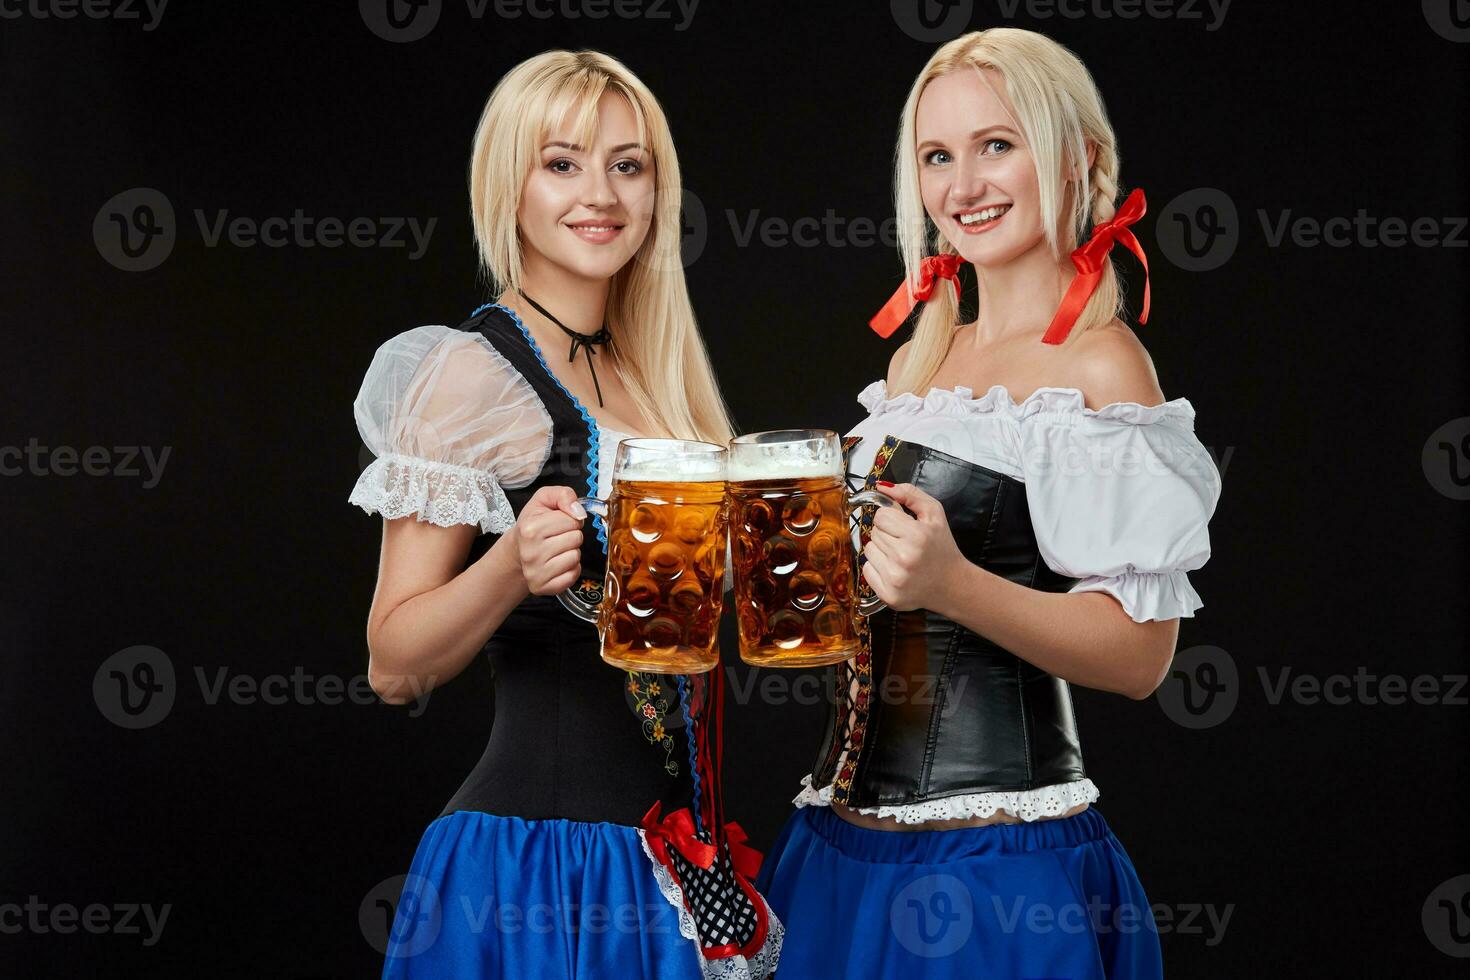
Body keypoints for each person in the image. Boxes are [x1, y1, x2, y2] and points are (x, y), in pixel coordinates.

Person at [756, 28, 1222, 978]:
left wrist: (955, 586)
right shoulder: (918, 361)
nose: (964, 185)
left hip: (993, 875)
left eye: (996, 145)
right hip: (837, 851)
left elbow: (1139, 658)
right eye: (938, 156)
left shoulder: (1099, 365)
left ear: (1078, 157)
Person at [349, 49, 781, 979]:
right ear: (511, 185)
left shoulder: (660, 382)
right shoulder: (468, 374)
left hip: (671, 868)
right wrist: (507, 568)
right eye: (563, 163)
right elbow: (392, 664)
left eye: (629, 165)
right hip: (537, 877)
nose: (602, 194)